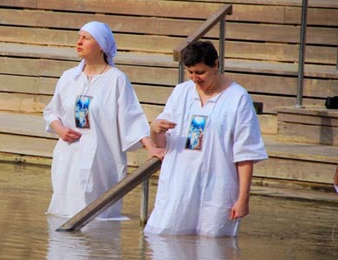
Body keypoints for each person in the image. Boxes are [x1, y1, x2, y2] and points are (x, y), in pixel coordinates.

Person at [144, 40, 267, 237]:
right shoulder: (181, 92)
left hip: (217, 187)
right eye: (190, 72)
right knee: (165, 241)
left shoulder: (238, 98)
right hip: (179, 186)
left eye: (200, 72)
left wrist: (243, 199)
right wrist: (154, 130)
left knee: (213, 251)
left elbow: (245, 153)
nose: (195, 78)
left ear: (216, 65)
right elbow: (164, 144)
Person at [43, 21, 165, 219]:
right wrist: (59, 129)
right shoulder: (69, 77)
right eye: (79, 37)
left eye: (86, 38)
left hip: (101, 160)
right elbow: (51, 112)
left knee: (97, 218)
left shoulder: (116, 79)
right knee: (63, 214)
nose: (79, 42)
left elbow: (131, 116)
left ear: (101, 45)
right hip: (69, 158)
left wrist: (150, 147)